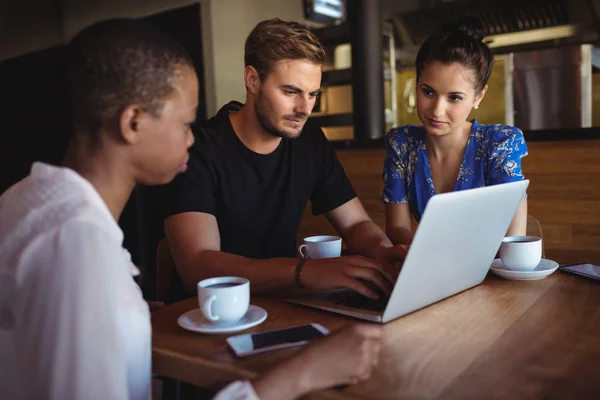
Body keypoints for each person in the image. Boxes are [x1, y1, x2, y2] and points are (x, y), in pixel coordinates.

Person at [0, 19, 382, 400]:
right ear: (132, 123)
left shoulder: (27, 201)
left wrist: (124, 315)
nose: (190, 137)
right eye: (185, 122)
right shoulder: (78, 250)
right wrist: (302, 374)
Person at [162, 18, 407, 301]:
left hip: (282, 302)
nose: (304, 109)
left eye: (313, 94)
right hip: (207, 316)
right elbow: (198, 267)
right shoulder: (196, 149)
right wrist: (304, 271)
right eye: (290, 92)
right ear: (253, 80)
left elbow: (355, 225)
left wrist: (384, 251)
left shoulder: (310, 141)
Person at [383, 17, 529, 245]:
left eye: (454, 98)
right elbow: (397, 227)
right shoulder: (402, 144)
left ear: (478, 96)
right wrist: (426, 258)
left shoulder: (500, 144)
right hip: (427, 268)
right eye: (428, 92)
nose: (437, 110)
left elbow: (512, 239)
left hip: (491, 272)